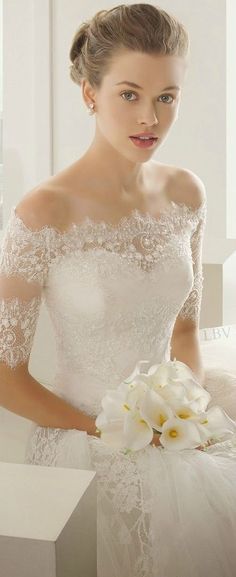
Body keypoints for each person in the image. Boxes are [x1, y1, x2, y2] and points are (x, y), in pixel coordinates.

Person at [1, 3, 236, 576]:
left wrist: (189, 407)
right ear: (90, 93)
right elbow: (5, 374)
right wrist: (111, 429)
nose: (150, 118)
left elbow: (184, 329)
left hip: (179, 431)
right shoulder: (43, 212)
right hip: (84, 440)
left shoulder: (186, 193)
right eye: (129, 94)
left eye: (166, 97)